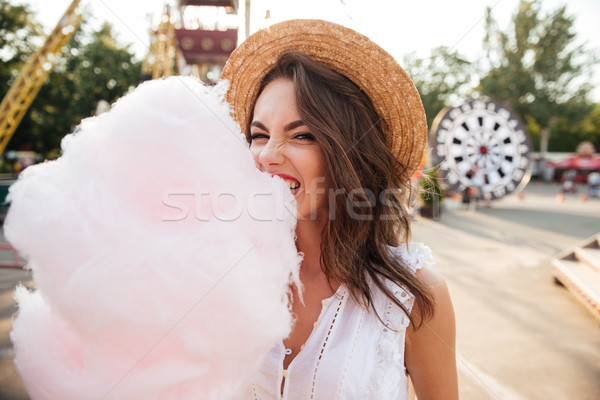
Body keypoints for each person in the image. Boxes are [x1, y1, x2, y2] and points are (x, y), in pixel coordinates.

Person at [221, 19, 458, 400]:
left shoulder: (412, 295)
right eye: (259, 134)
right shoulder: (226, 272)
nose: (267, 155)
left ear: (350, 152)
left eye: (301, 135)